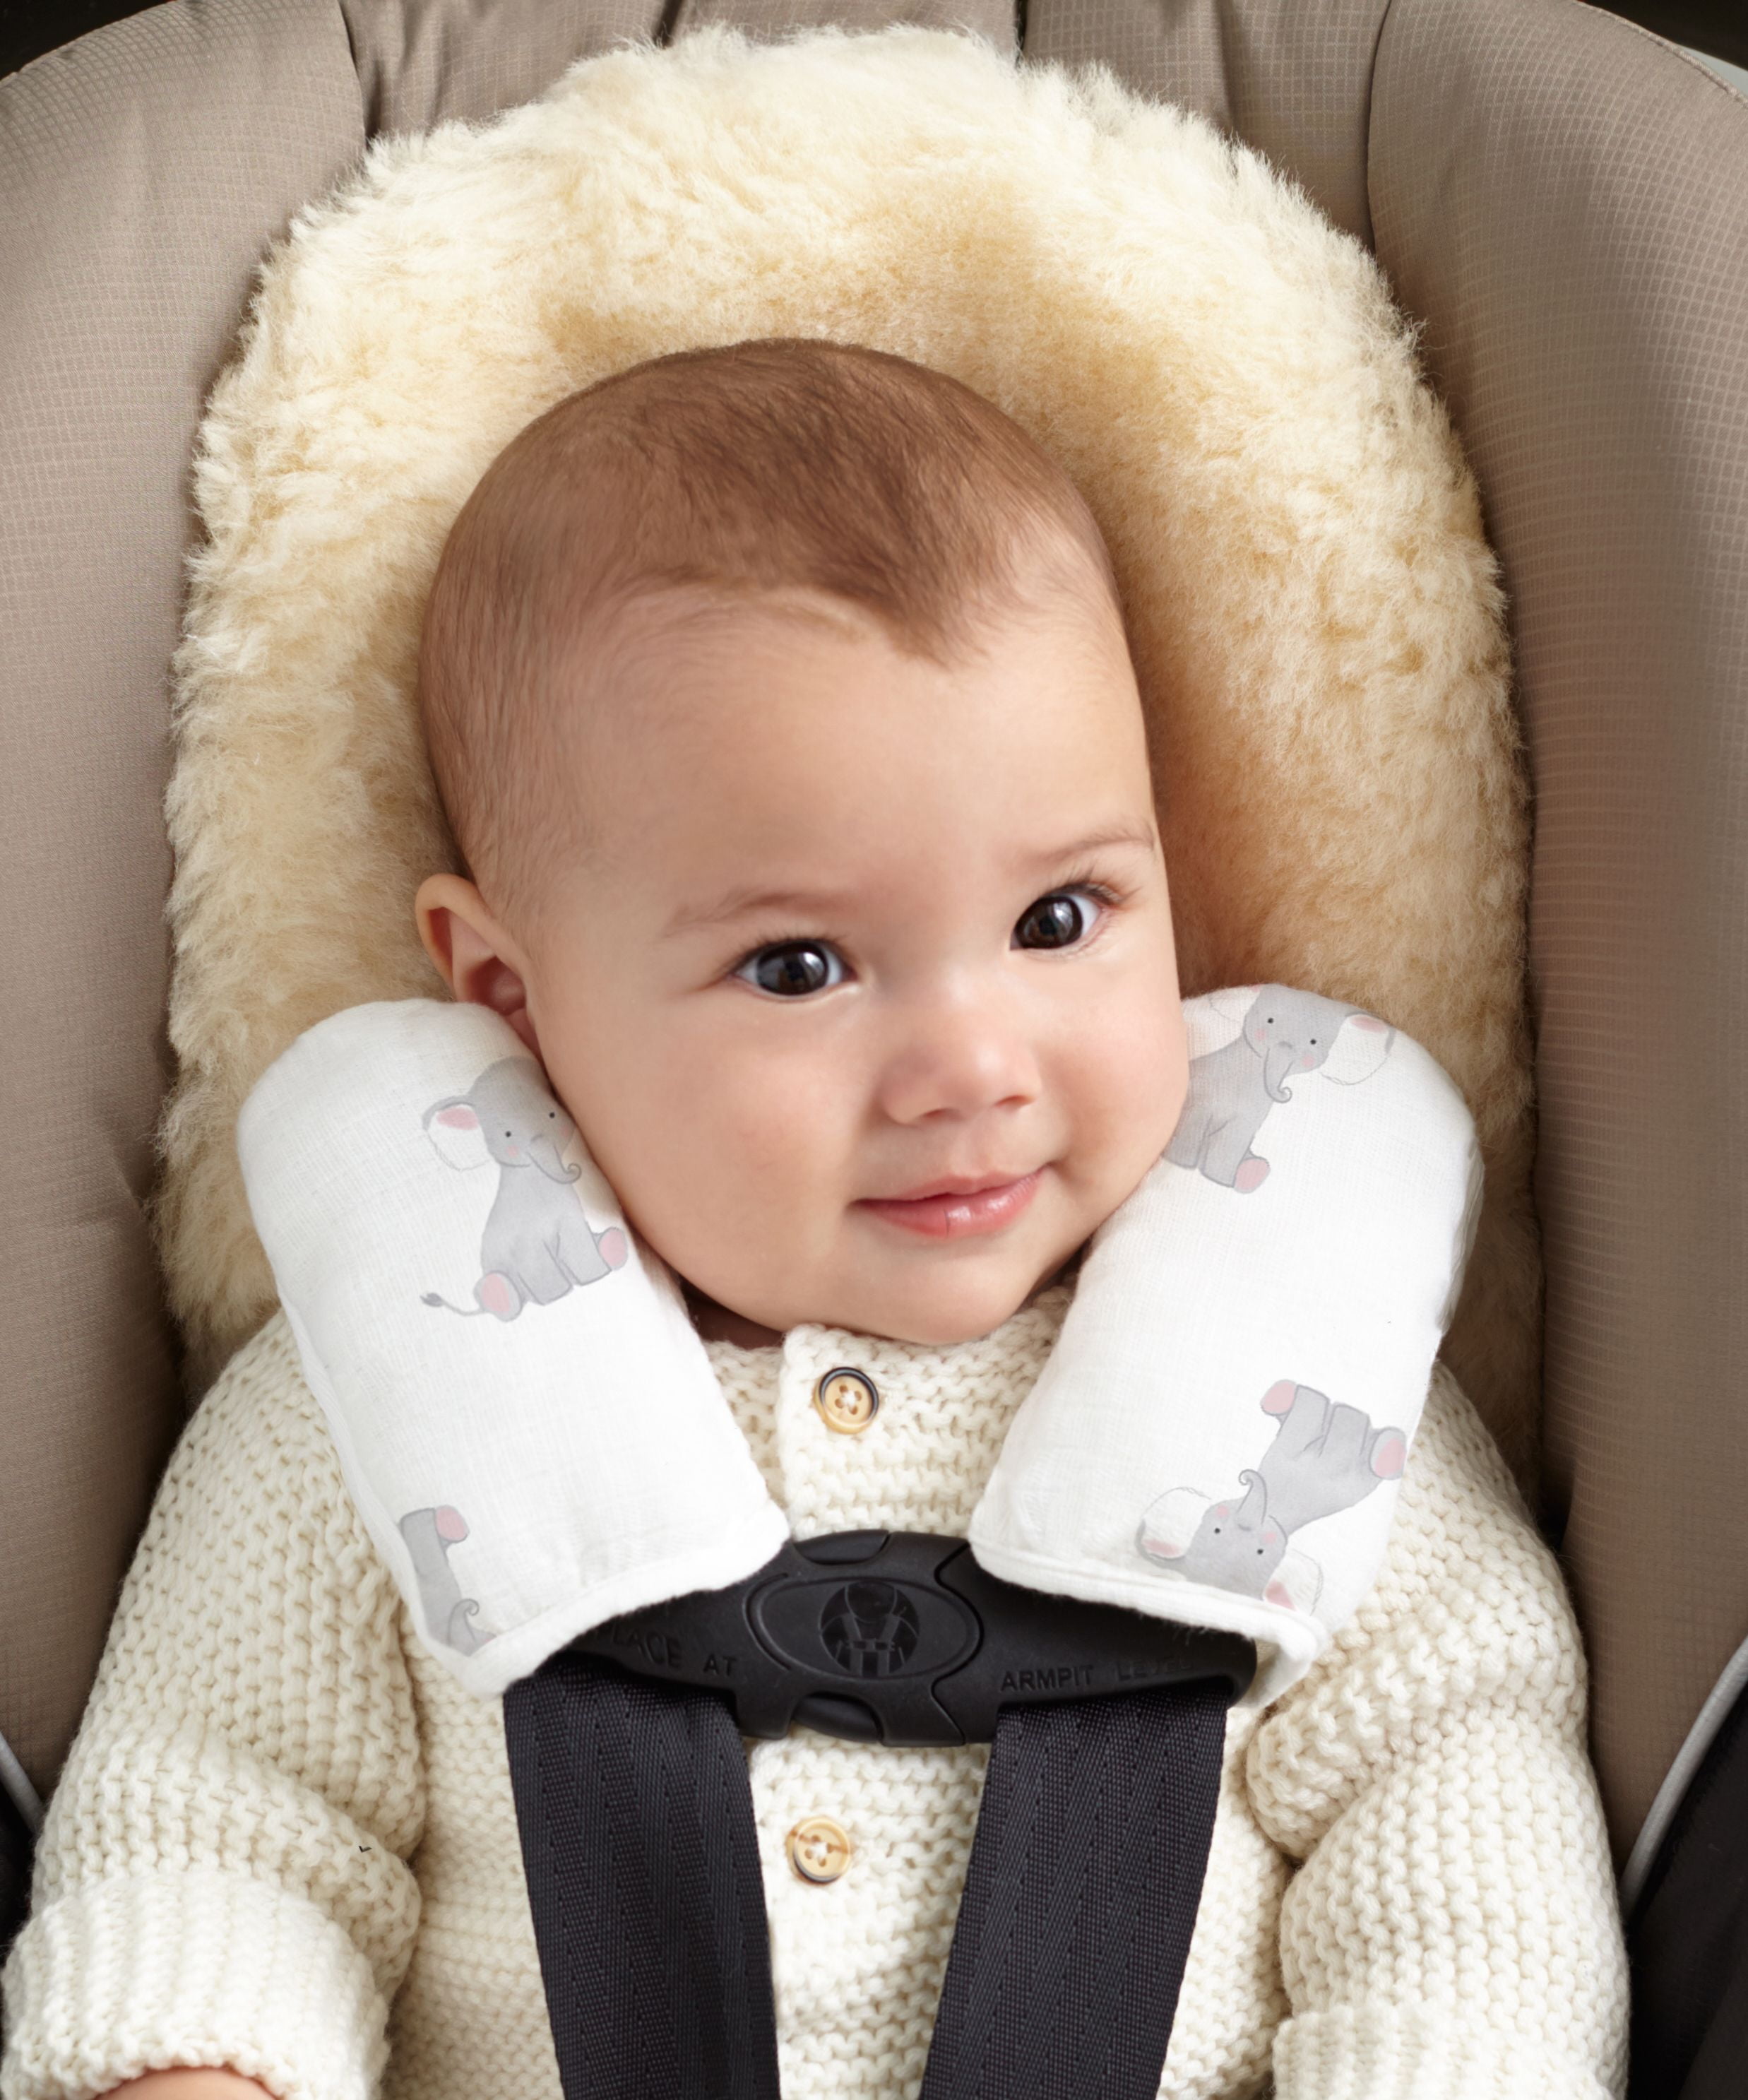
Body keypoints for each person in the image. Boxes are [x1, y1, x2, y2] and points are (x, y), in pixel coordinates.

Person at [0, 339, 1627, 2100]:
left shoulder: (1289, 1352)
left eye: (1059, 917)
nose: (971, 1065)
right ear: (515, 993)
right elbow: (220, 1812)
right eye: (796, 965)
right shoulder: (385, 1385)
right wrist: (195, 2058)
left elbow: (1460, 1822)